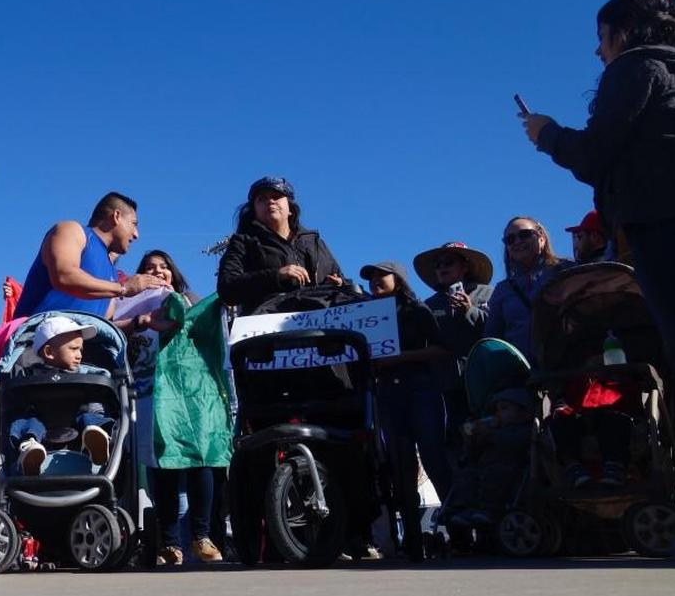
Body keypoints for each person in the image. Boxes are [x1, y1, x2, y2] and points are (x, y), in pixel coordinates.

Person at [523, 0, 675, 369]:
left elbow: (595, 154)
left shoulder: (635, 67)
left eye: (601, 37)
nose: (599, 50)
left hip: (664, 227)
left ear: (624, 29)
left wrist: (546, 134)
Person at [120, 250, 223, 565]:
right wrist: (141, 320)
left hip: (190, 393)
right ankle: (169, 544)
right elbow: (109, 329)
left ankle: (201, 537)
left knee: (198, 457)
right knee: (161, 465)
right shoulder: (127, 307)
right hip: (147, 392)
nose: (158, 271)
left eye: (164, 266)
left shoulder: (190, 300)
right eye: (150, 267)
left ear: (175, 274)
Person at [360, 261, 452, 562]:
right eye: (370, 277)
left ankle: (459, 532)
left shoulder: (416, 310)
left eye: (380, 275)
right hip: (388, 393)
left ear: (397, 279)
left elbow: (441, 349)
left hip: (420, 388)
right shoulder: (366, 316)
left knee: (433, 457)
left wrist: (401, 357)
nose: (375, 281)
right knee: (400, 466)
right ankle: (411, 540)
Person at [12, 192, 165, 318]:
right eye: (134, 224)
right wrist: (123, 288)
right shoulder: (72, 230)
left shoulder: (111, 272)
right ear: (116, 217)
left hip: (80, 351)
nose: (136, 235)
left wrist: (145, 320)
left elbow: (106, 318)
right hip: (36, 345)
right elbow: (64, 276)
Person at [217, 177, 344, 315]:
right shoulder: (242, 243)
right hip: (270, 330)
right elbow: (227, 288)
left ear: (290, 208)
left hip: (324, 327)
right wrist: (277, 275)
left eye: (276, 196)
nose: (270, 201)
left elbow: (343, 280)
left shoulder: (315, 242)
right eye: (262, 199)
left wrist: (340, 284)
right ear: (254, 211)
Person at [7, 317, 114, 475]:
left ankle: (96, 436)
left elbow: (99, 401)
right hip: (40, 428)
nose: (79, 355)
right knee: (26, 419)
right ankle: (30, 447)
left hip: (79, 430)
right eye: (73, 349)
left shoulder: (89, 375)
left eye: (81, 350)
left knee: (90, 413)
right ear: (49, 352)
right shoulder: (26, 376)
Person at [412, 242, 495, 443]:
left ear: (465, 266)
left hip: (485, 383)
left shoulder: (487, 293)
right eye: (438, 265)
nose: (442, 268)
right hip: (445, 387)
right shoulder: (427, 305)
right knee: (454, 444)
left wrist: (469, 311)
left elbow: (496, 329)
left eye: (448, 262)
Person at [484, 217, 571, 364]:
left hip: (568, 367)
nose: (517, 241)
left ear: (541, 238)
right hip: (521, 376)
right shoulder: (502, 290)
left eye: (524, 234)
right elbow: (492, 338)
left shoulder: (567, 271)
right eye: (510, 239)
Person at [447, 388, 533, 528]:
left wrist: (491, 435)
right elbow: (473, 454)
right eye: (497, 410)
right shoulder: (492, 429)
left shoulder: (524, 429)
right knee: (467, 475)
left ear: (523, 413)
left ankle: (489, 509)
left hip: (509, 469)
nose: (498, 413)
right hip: (484, 467)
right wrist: (469, 439)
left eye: (504, 408)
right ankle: (463, 508)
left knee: (496, 475)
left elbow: (514, 443)